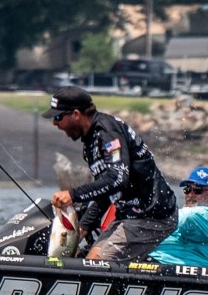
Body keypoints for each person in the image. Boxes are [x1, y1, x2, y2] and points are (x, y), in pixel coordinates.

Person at [43, 86, 177, 262]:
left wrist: (73, 195)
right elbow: (105, 193)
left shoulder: (108, 132)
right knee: (88, 262)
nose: (55, 123)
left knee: (95, 266)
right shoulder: (90, 143)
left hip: (153, 217)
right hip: (127, 216)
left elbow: (118, 178)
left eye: (58, 117)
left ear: (76, 114)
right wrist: (82, 228)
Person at [148, 167, 208, 267]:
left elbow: (190, 216)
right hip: (151, 262)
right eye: (188, 189)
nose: (190, 195)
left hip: (163, 267)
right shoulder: (186, 222)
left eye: (197, 190)